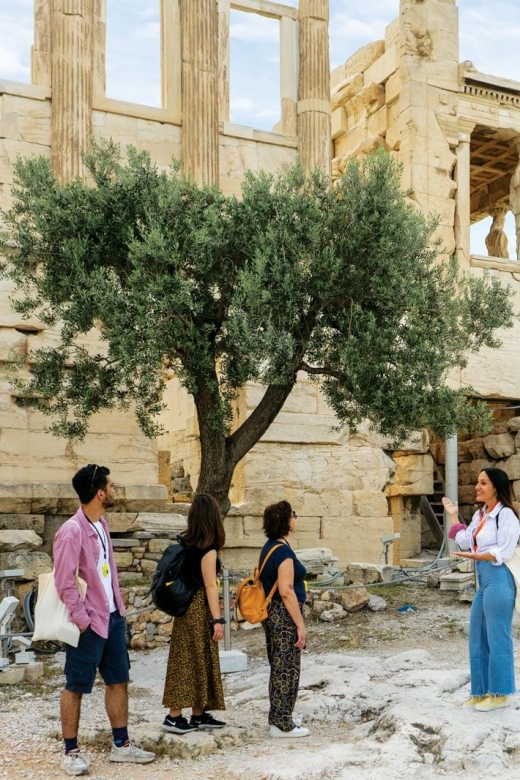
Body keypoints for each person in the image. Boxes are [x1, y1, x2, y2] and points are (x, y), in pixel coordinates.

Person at [53, 464, 155, 776]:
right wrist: (82, 620)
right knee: (76, 685)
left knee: (118, 680)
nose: (113, 490)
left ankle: (121, 746)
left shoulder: (102, 524)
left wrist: (118, 609)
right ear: (99, 493)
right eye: (110, 486)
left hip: (113, 618)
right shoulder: (71, 531)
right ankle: (70, 752)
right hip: (89, 624)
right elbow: (64, 582)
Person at [443, 467, 520, 712]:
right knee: (477, 634)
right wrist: (454, 516)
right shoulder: (481, 515)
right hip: (483, 580)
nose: (477, 486)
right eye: (477, 482)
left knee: (498, 636)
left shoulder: (506, 515)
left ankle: (500, 694)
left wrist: (473, 555)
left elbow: (503, 552)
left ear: (495, 487)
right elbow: (465, 539)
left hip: (499, 578)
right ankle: (479, 691)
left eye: (483, 483)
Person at [161, 493, 227, 733]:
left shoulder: (187, 544)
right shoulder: (208, 549)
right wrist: (218, 619)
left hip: (186, 608)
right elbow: (210, 585)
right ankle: (174, 715)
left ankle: (198, 714)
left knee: (193, 658)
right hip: (198, 608)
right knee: (190, 660)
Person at [259, 500, 310, 738]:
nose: (296, 519)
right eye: (294, 515)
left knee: (279, 665)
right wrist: (300, 625)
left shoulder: (270, 546)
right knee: (287, 668)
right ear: (287, 521)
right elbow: (286, 590)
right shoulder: (283, 552)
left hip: (273, 614)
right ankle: (281, 724)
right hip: (284, 614)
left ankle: (280, 715)